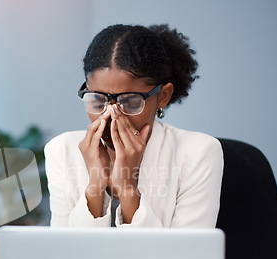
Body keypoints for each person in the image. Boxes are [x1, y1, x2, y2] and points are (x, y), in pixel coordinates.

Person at [44, 24, 224, 229]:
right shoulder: (61, 150)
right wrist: (95, 185)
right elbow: (65, 254)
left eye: (130, 101)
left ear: (162, 96)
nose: (110, 115)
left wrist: (128, 188)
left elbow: (182, 257)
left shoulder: (198, 153)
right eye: (97, 100)